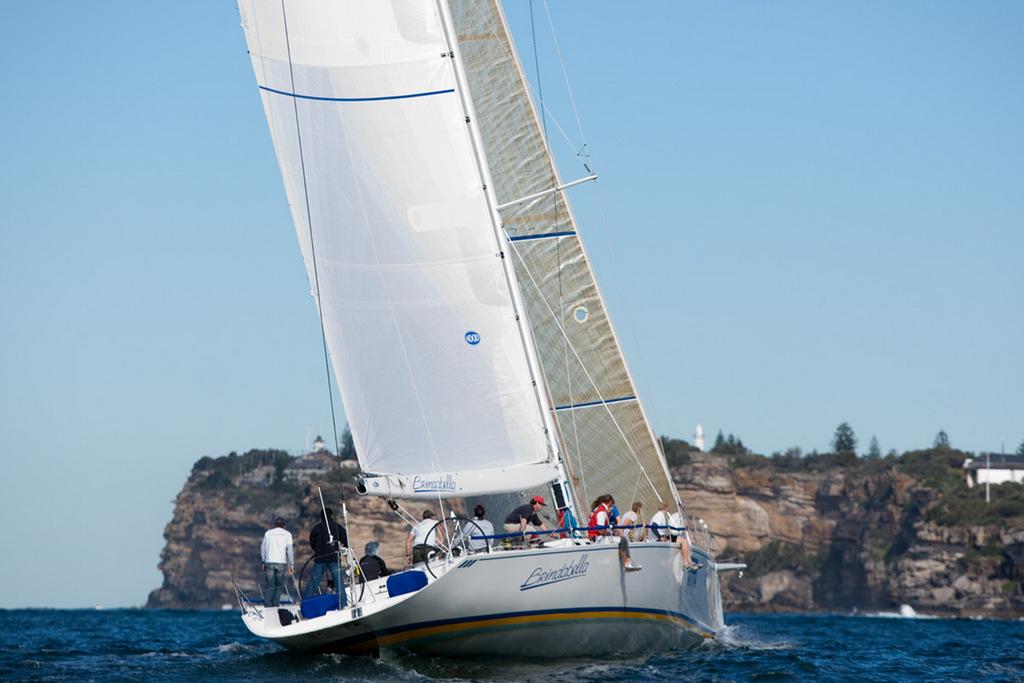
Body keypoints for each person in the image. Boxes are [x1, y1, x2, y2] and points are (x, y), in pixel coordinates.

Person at [303, 507, 348, 604]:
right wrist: (345, 546)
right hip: (333, 558)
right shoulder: (337, 527)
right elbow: (345, 539)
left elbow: (312, 542)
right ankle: (343, 602)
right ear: (331, 516)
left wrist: (318, 550)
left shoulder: (316, 528)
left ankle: (305, 602)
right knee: (338, 580)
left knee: (314, 581)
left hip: (319, 559)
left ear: (322, 516)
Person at [260, 517, 294, 607]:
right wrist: (291, 565)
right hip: (281, 563)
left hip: (269, 562)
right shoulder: (287, 534)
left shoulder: (268, 533)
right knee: (278, 585)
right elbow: (290, 551)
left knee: (269, 585)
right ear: (284, 525)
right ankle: (275, 604)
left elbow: (263, 548)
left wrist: (263, 561)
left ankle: (267, 604)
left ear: (275, 524)